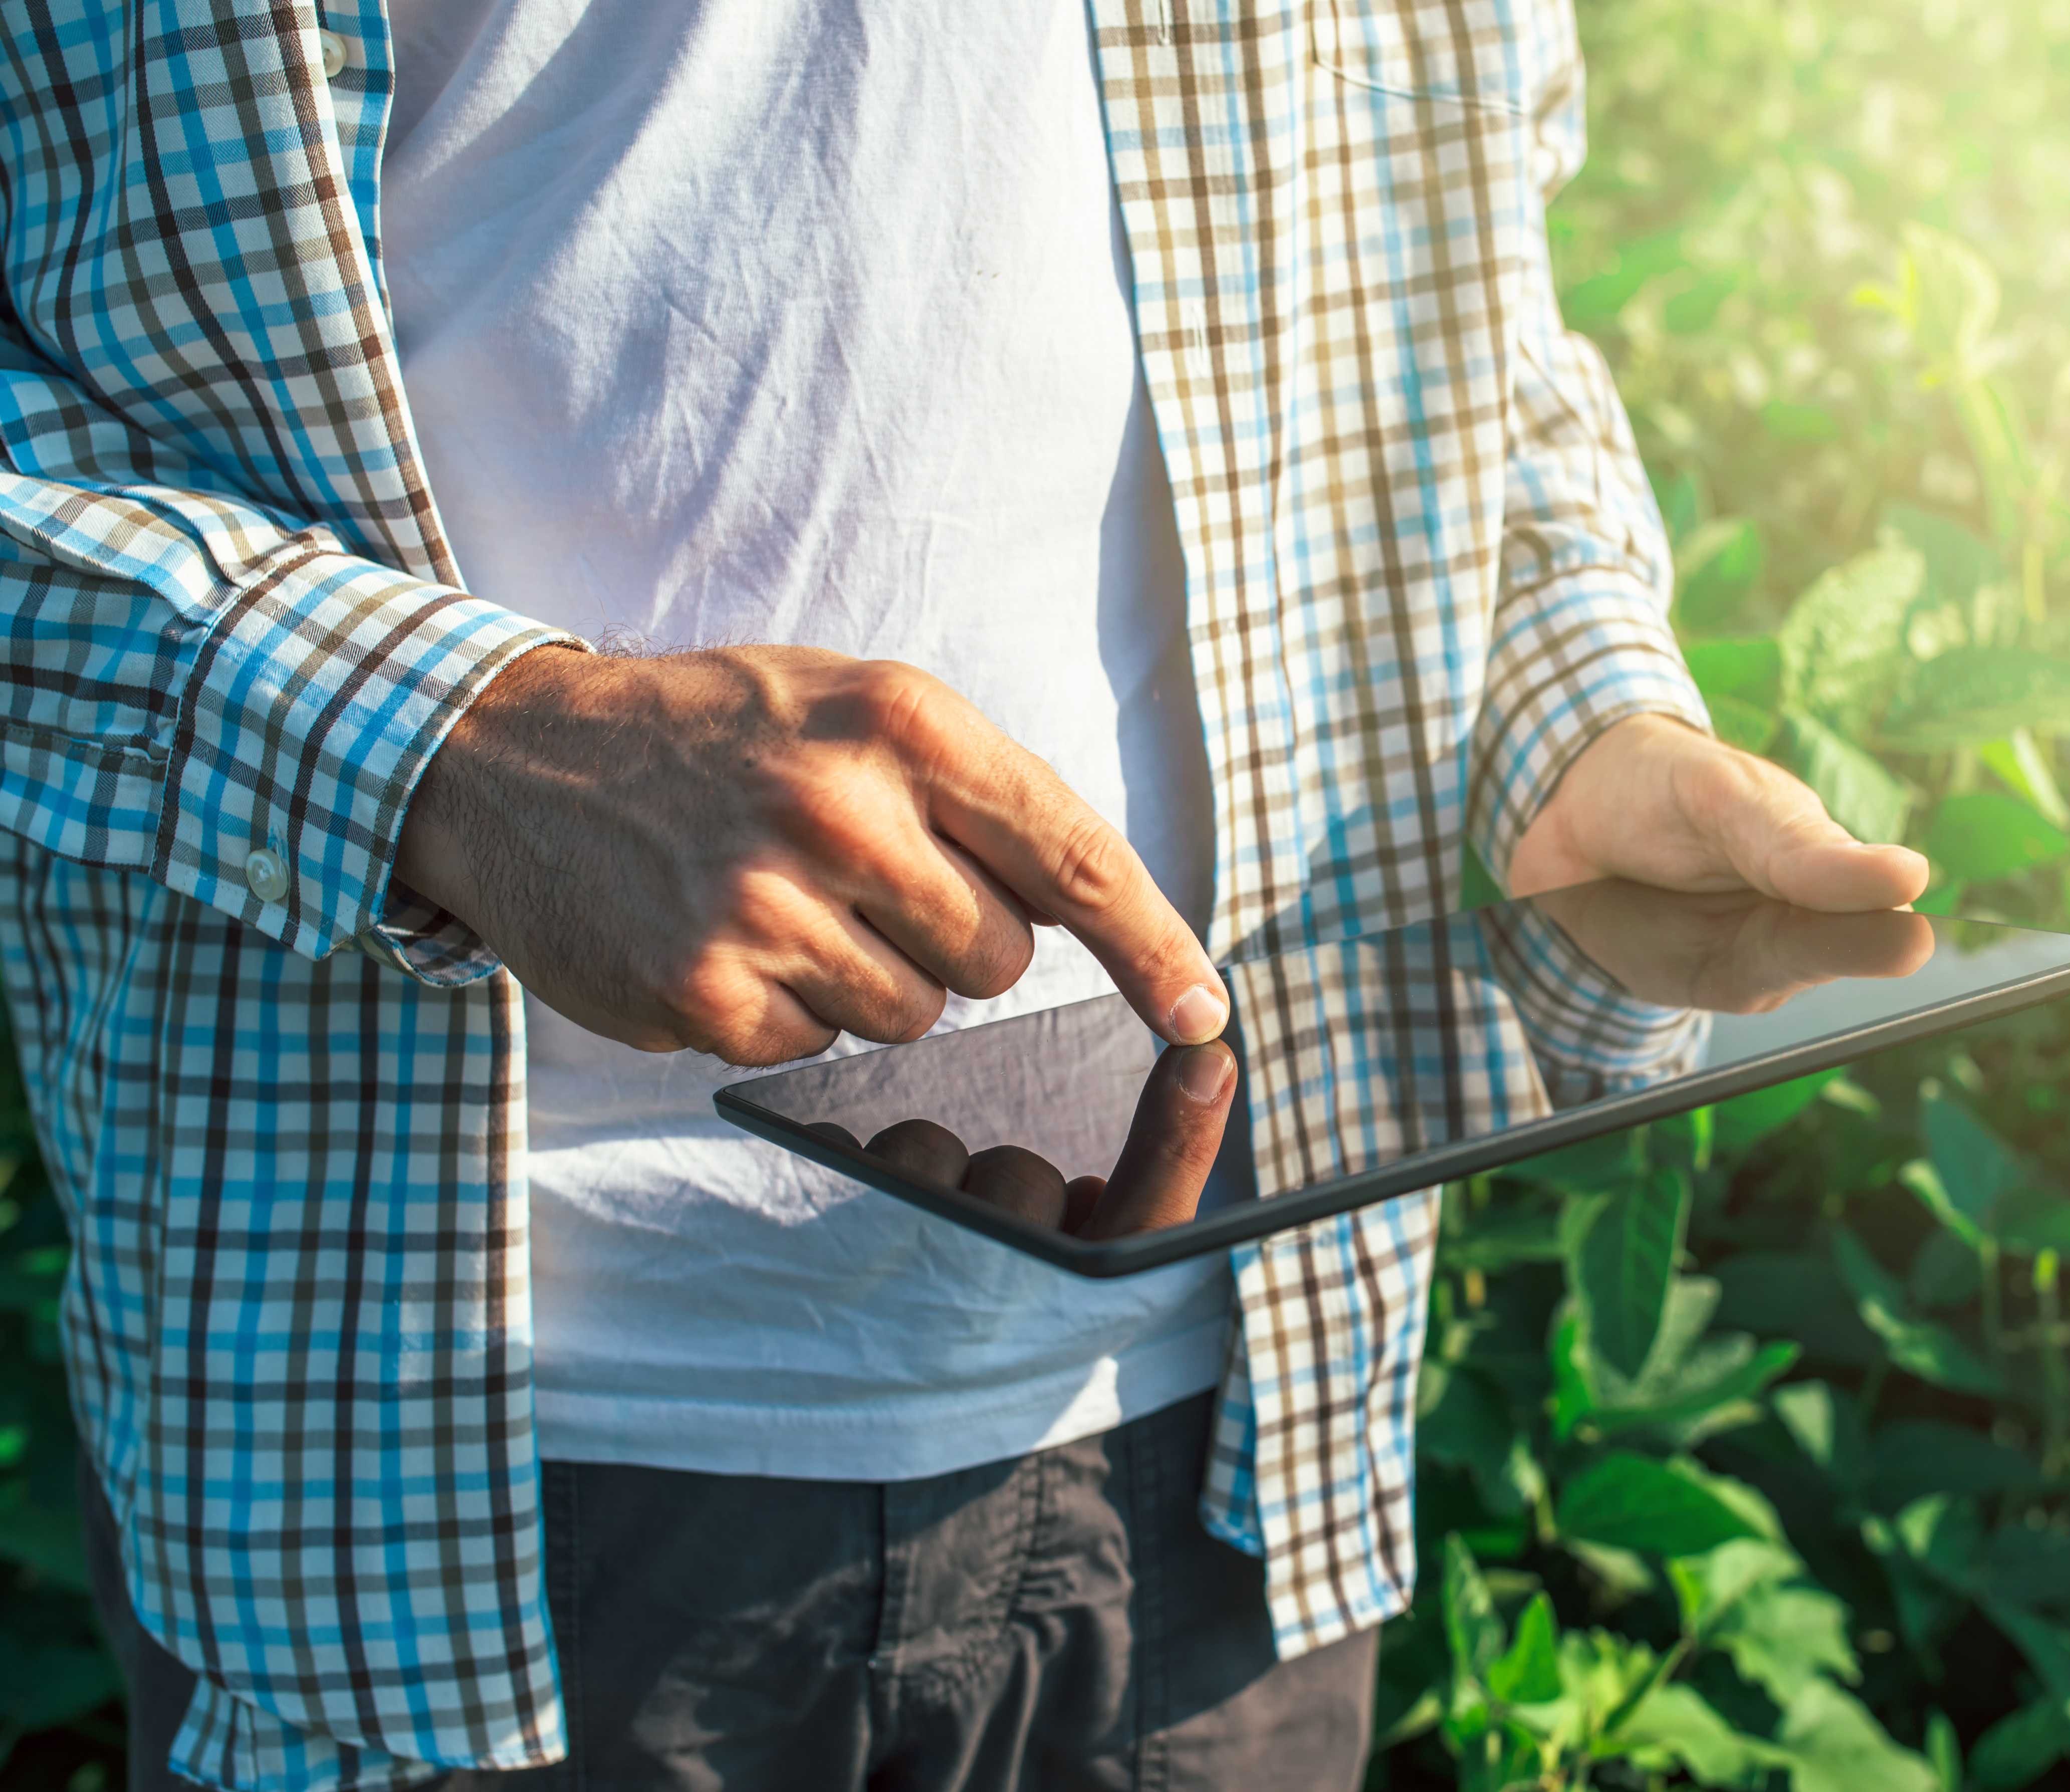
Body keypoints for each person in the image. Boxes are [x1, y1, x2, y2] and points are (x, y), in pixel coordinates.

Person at [0, 3, 1929, 1787]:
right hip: (449, 1494)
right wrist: (451, 749)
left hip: (1237, 1443)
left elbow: (1458, 304)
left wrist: (1572, 713)